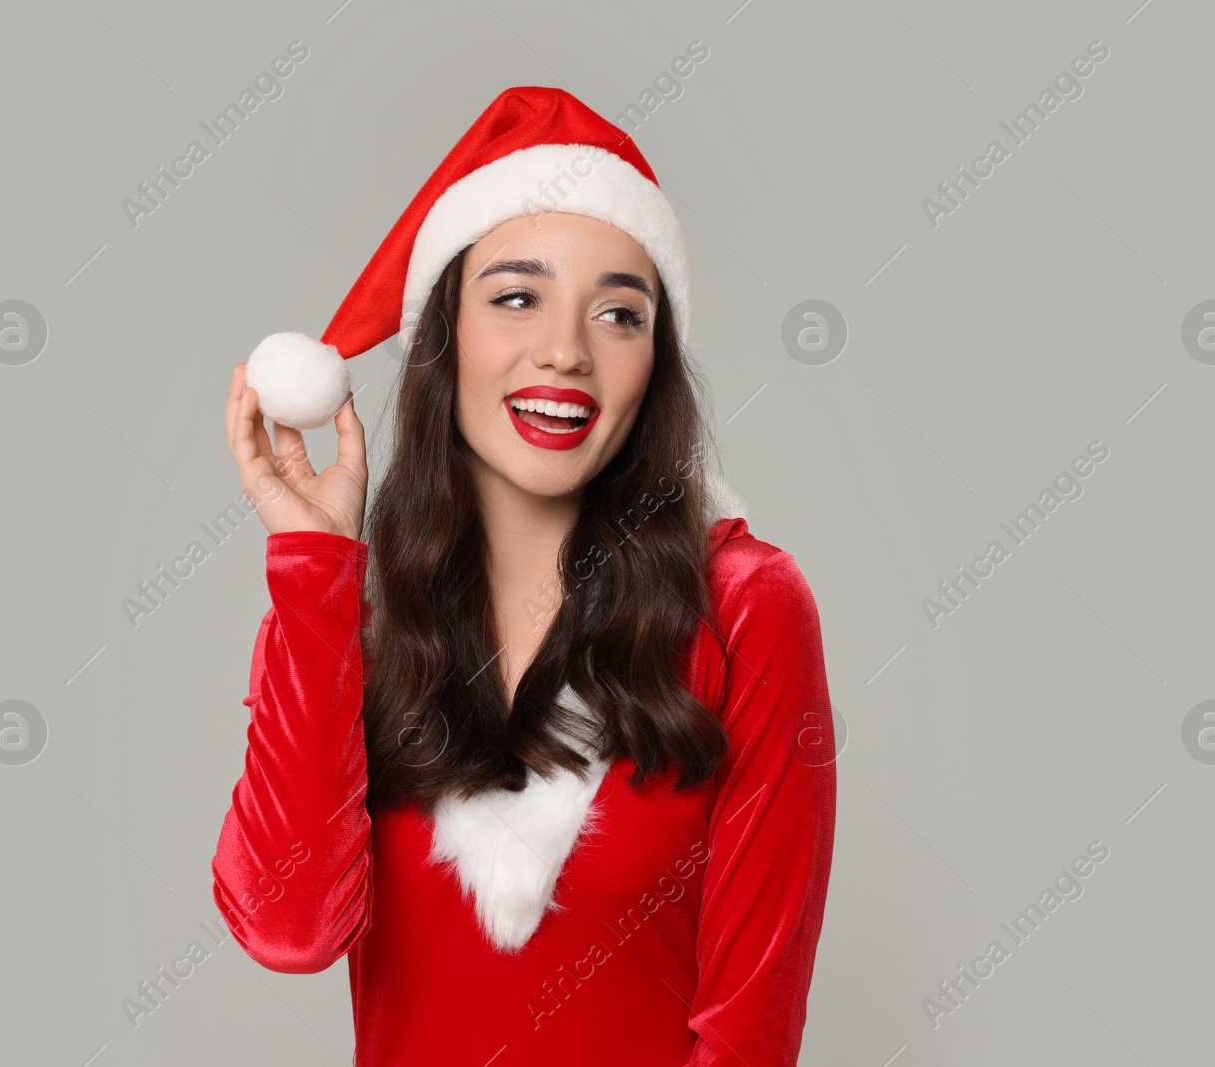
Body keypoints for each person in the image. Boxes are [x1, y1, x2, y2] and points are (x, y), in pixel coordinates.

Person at [211, 85, 836, 1065]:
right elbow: (290, 927)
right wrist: (314, 566)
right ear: (443, 335)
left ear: (654, 360)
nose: (564, 351)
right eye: (515, 296)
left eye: (618, 314)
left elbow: (750, 1032)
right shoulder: (351, 622)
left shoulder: (746, 605)